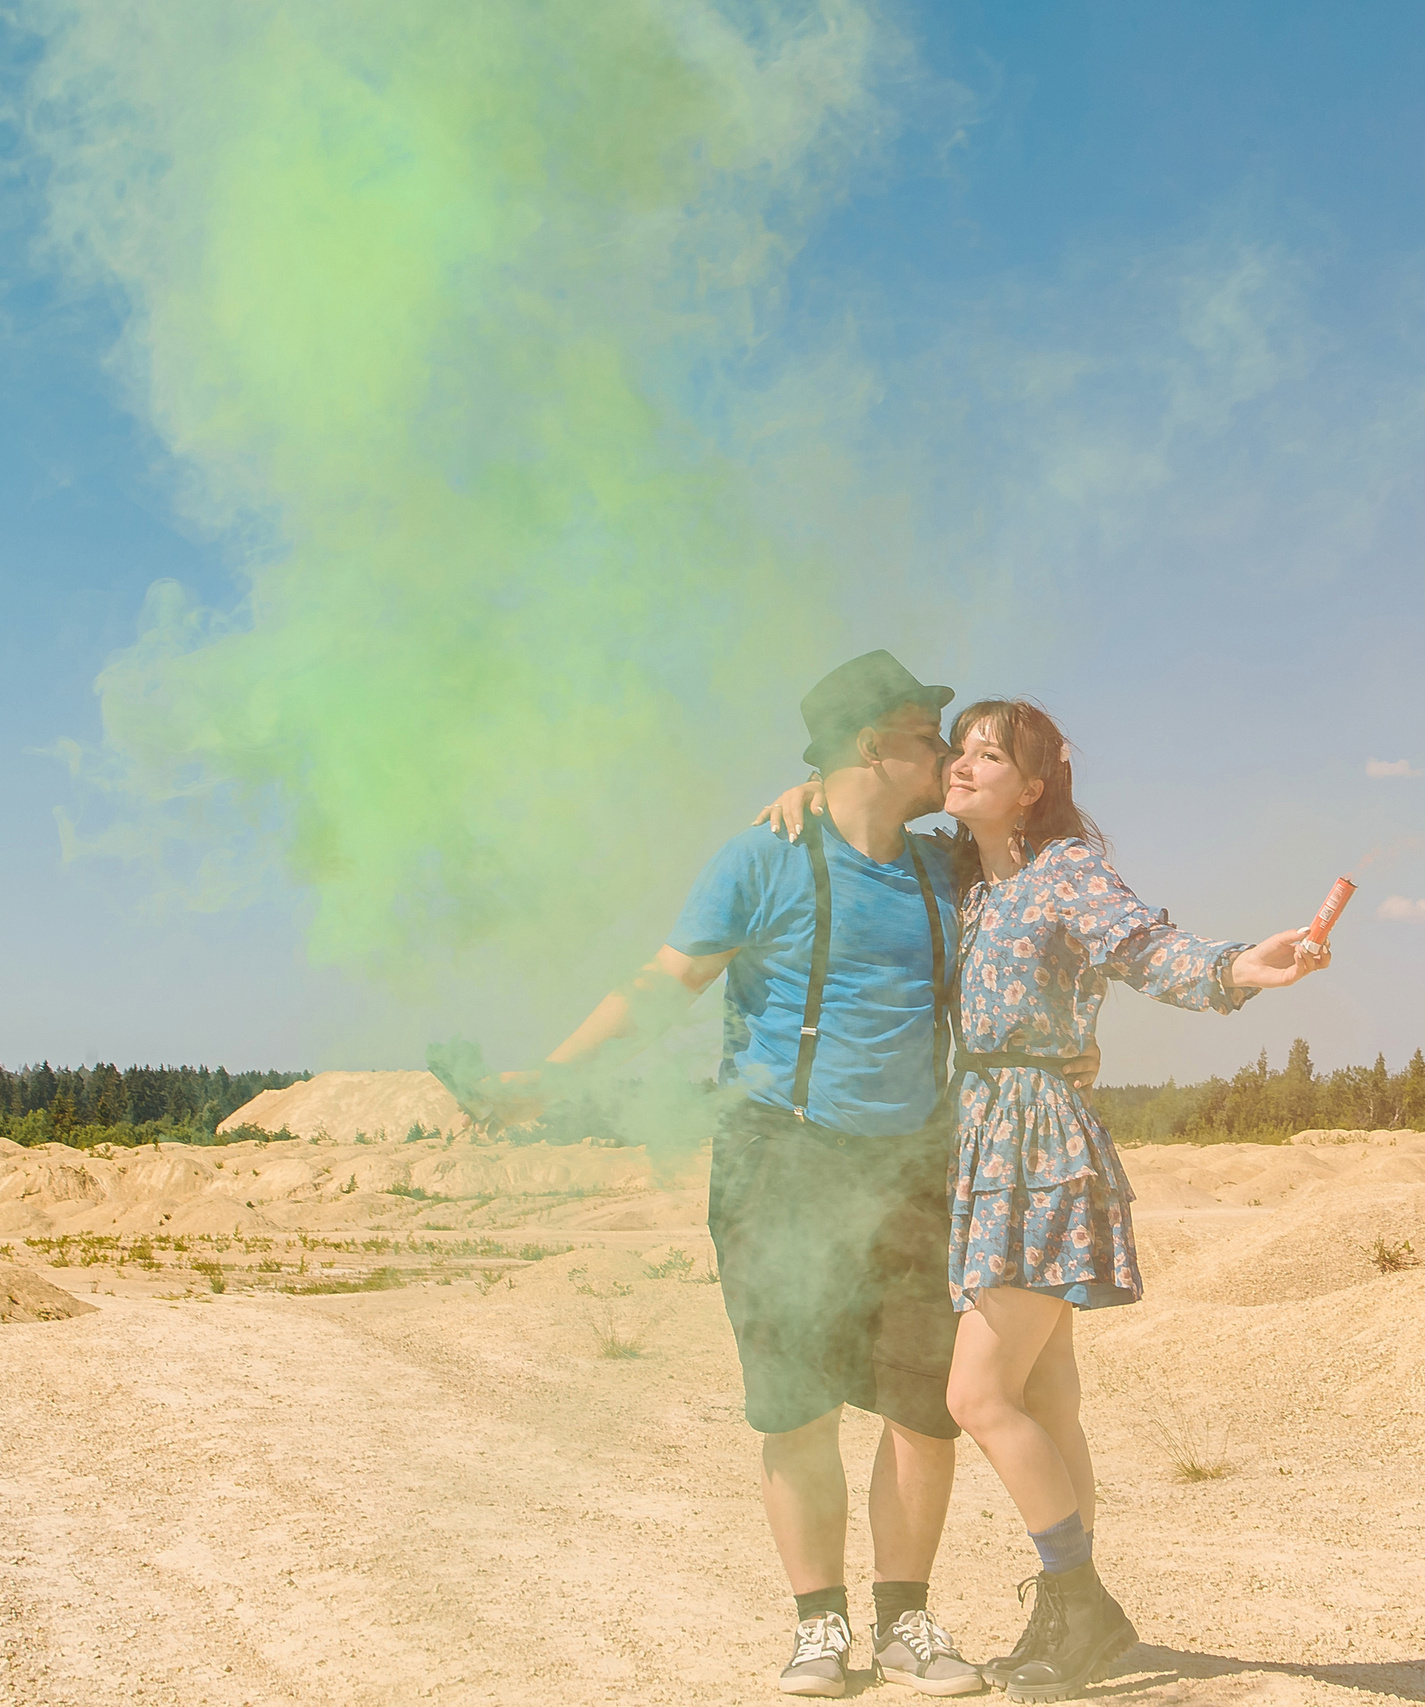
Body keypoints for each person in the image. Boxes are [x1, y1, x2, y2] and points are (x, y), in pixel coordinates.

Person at [526, 651, 1087, 1699]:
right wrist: (547, 1079)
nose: (951, 756)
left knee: (924, 1413)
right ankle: (818, 1629)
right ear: (879, 742)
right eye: (933, 736)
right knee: (797, 1409)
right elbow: (662, 987)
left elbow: (1040, 875)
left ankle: (907, 1623)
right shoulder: (758, 858)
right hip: (778, 1159)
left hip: (920, 1165)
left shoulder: (941, 866)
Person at [767, 698, 1330, 1701]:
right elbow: (868, 833)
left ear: (1034, 787)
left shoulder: (1068, 872)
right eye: (963, 749)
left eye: (993, 755)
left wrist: (1246, 966)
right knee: (1045, 1396)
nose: (966, 764)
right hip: (974, 1140)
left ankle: (1083, 1601)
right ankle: (1066, 1612)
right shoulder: (955, 873)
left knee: (976, 1395)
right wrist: (811, 792)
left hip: (1035, 1141)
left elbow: (1149, 949)